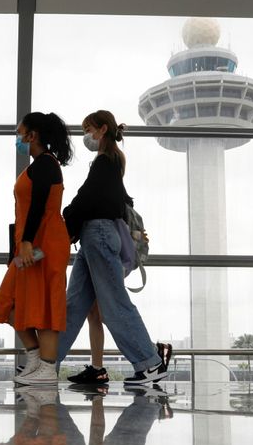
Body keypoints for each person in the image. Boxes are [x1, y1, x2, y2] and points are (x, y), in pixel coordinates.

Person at [58, 110, 170, 385]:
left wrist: (67, 217)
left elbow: (87, 198)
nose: (86, 135)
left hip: (98, 234)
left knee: (114, 304)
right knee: (73, 305)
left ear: (103, 129)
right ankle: (48, 363)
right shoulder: (111, 162)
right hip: (93, 237)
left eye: (88, 129)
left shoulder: (105, 162)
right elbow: (116, 199)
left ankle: (150, 362)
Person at [0, 112, 73, 386]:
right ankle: (35, 357)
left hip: (43, 243)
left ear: (31, 135)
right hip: (30, 242)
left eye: (19, 132)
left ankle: (47, 368)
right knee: (9, 303)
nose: (18, 138)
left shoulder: (46, 164)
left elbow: (38, 205)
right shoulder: (38, 164)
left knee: (46, 303)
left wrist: (26, 242)